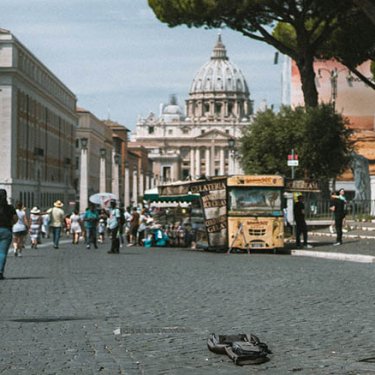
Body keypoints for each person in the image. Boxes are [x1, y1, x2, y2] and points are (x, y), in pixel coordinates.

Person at [0, 189, 17, 279]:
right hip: (6, 230)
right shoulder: (10, 207)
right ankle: (0, 271)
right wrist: (11, 223)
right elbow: (15, 219)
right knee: (2, 253)